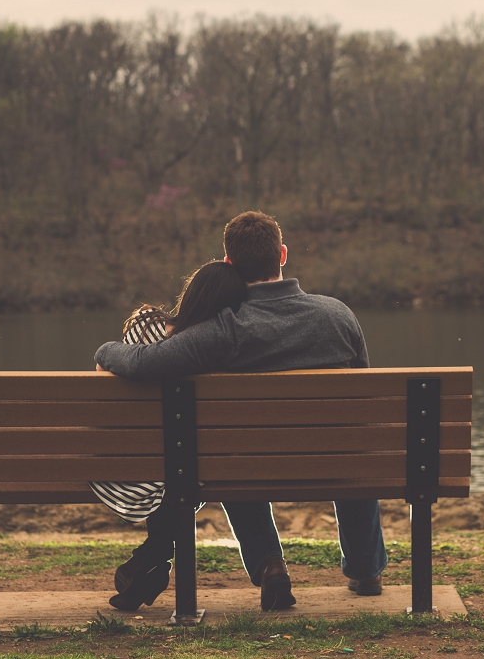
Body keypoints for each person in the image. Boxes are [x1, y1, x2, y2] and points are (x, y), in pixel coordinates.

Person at [95, 210, 386, 611]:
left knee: (232, 455)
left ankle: (270, 564)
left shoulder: (223, 329)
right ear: (281, 255)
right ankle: (366, 570)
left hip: (253, 467)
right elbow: (364, 401)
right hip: (335, 458)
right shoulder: (338, 315)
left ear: (229, 263)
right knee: (352, 444)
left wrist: (106, 351)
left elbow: (145, 363)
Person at [92, 260, 249, 611]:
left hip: (127, 464)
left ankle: (155, 556)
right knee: (178, 464)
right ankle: (153, 555)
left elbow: (108, 371)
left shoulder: (144, 326)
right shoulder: (221, 345)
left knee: (166, 459)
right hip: (195, 468)